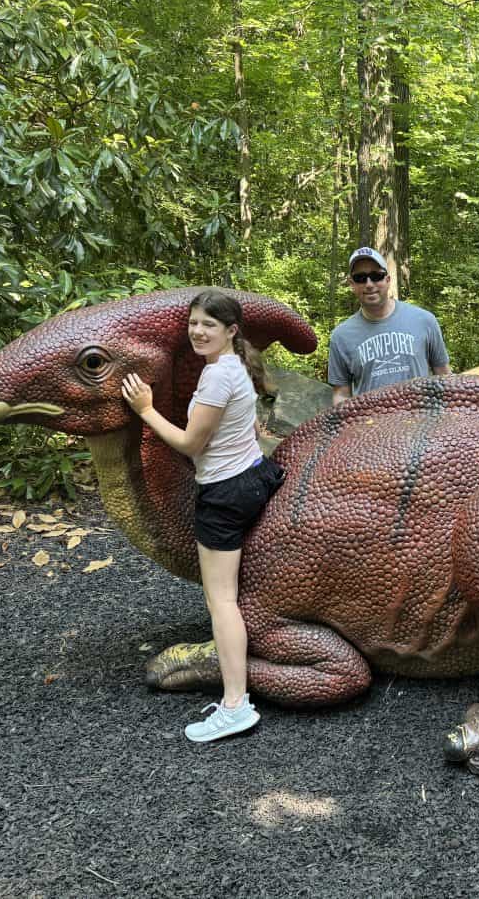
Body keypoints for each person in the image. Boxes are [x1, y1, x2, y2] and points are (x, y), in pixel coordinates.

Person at [120, 289, 284, 743]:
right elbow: (247, 428)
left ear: (231, 331)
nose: (197, 331)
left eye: (208, 324)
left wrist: (145, 410)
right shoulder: (232, 368)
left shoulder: (217, 378)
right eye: (193, 323)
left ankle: (236, 704)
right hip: (254, 475)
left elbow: (192, 444)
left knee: (222, 601)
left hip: (225, 494)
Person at [328, 247, 450, 404]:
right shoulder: (341, 336)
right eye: (360, 278)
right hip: (370, 425)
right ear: (352, 284)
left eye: (376, 276)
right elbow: (341, 394)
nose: (369, 284)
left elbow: (444, 376)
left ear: (388, 279)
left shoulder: (424, 320)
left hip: (422, 423)